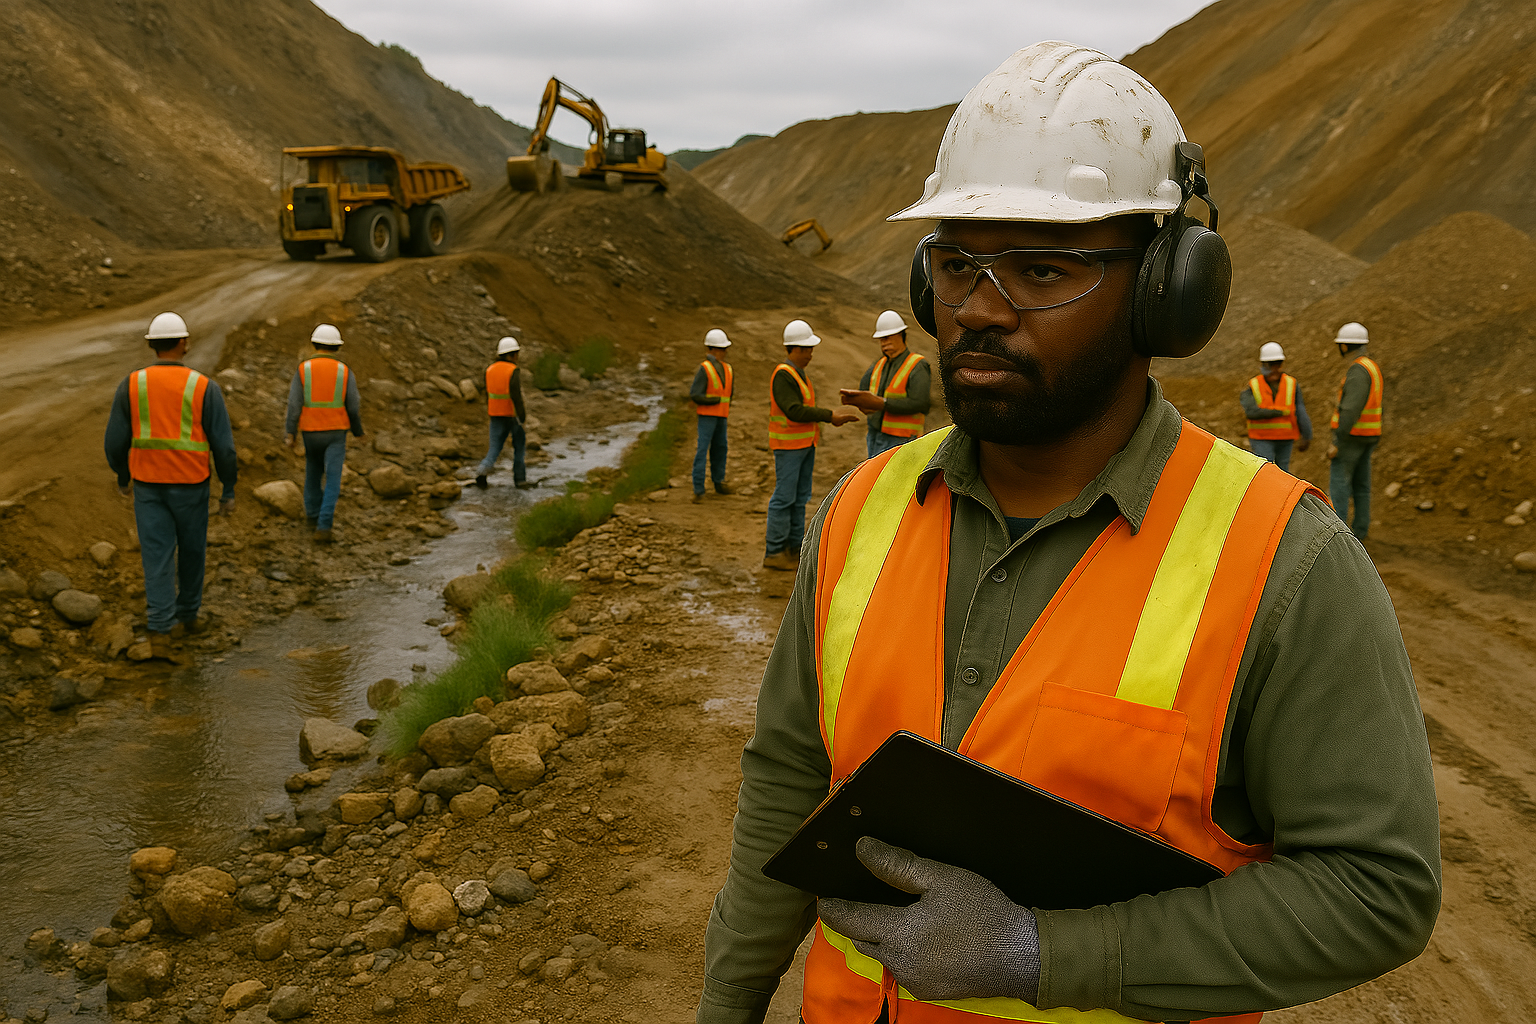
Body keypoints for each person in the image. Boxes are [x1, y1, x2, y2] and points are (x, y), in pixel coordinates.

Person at [699, 42, 1438, 1024]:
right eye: (956, 264)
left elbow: (1375, 891)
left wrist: (1044, 954)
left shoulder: (1282, 563)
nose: (978, 310)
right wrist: (726, 1003)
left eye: (1042, 269)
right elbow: (790, 780)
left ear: (1163, 292)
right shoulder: (860, 512)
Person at [104, 312, 238, 660]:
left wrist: (122, 475)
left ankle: (161, 632)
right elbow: (223, 447)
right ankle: (188, 616)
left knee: (156, 556)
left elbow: (114, 442)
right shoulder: (203, 386)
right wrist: (229, 487)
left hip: (148, 485)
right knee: (192, 551)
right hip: (191, 484)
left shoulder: (132, 384)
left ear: (151, 344)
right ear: (184, 343)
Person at [763, 319, 859, 571]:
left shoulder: (798, 374)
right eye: (806, 349)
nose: (810, 354)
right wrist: (830, 415)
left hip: (804, 444)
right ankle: (774, 551)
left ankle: (794, 549)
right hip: (789, 447)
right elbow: (793, 411)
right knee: (784, 498)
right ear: (793, 348)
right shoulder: (784, 375)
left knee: (799, 497)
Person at [284, 324, 364, 542]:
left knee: (312, 473)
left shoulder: (304, 369)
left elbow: (293, 405)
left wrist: (290, 433)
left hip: (310, 432)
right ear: (337, 347)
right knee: (332, 480)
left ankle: (312, 517)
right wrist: (358, 431)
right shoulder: (344, 371)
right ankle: (324, 526)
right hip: (336, 432)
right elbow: (354, 406)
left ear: (314, 344)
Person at [840, 310, 933, 459]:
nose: (884, 342)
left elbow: (922, 404)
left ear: (902, 335)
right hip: (875, 434)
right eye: (881, 339)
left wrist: (882, 403)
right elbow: (864, 389)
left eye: (887, 337)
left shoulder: (917, 364)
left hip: (902, 439)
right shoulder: (879, 364)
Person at [1327, 322, 1383, 541]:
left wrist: (1338, 441)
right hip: (1369, 435)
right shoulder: (1372, 367)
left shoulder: (1358, 370)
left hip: (1352, 438)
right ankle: (1360, 531)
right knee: (1361, 485)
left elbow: (1350, 409)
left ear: (1344, 346)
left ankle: (1340, 537)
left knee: (1340, 485)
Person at [1240, 341, 1311, 470]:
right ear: (1263, 365)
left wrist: (1307, 435)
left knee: (1283, 473)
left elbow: (1300, 409)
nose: (1275, 369)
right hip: (1262, 437)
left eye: (1278, 364)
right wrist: (1280, 412)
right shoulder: (1253, 385)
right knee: (1265, 471)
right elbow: (1251, 412)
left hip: (1285, 438)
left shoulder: (1291, 383)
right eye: (1271, 365)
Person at [475, 335, 532, 490]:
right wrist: (522, 416)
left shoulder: (490, 369)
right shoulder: (512, 370)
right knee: (519, 448)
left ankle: (482, 472)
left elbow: (488, 393)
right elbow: (516, 395)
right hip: (512, 416)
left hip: (495, 414)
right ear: (512, 354)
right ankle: (520, 480)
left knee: (494, 448)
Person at [690, 328, 736, 504]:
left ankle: (718, 482)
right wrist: (714, 401)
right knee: (702, 451)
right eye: (721, 349)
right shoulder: (705, 369)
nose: (724, 353)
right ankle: (699, 490)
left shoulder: (728, 369)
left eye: (725, 349)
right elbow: (695, 394)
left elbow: (730, 393)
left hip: (721, 417)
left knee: (720, 449)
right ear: (712, 349)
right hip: (707, 417)